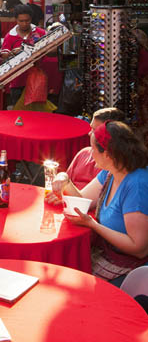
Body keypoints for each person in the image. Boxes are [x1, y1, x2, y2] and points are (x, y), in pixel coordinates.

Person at [49, 120, 148, 286]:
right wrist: (64, 179)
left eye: (93, 149)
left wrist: (93, 225)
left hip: (131, 269)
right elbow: (81, 201)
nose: (90, 153)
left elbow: (139, 249)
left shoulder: (136, 184)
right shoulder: (111, 172)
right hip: (107, 255)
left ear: (108, 154)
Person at [64, 107, 126, 189]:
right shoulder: (84, 153)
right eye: (91, 128)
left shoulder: (113, 168)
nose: (90, 133)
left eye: (95, 130)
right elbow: (65, 180)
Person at [0, 4, 47, 106]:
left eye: (27, 20)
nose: (25, 23)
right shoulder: (10, 36)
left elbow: (51, 50)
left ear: (31, 19)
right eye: (21, 21)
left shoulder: (40, 33)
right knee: (19, 112)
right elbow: (4, 55)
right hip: (17, 80)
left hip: (36, 80)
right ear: (16, 20)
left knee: (36, 111)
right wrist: (13, 53)